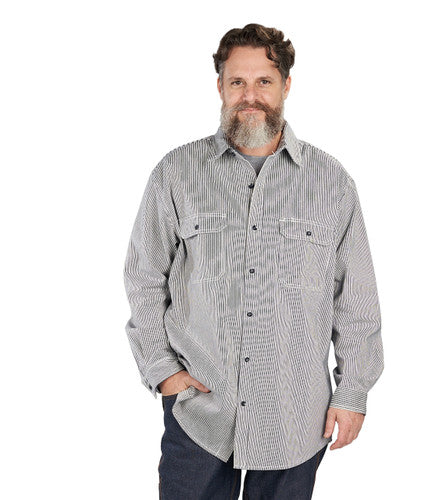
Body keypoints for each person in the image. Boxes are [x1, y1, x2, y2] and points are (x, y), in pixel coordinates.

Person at [123, 23, 384, 500]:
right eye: (237, 81)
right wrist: (162, 370)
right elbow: (144, 278)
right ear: (220, 87)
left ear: (286, 85)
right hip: (199, 411)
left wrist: (352, 393)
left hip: (295, 415)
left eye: (264, 81)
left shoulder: (331, 183)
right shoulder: (175, 173)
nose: (250, 95)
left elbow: (356, 299)